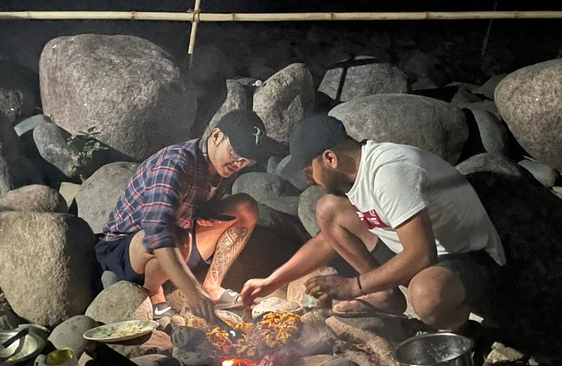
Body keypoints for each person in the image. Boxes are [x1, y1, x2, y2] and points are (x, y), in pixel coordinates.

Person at [240, 114, 506, 330]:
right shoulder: (359, 174)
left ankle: (465, 330)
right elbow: (325, 242)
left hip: (469, 257)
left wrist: (353, 286)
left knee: (426, 296)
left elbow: (421, 254)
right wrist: (271, 282)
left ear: (330, 158)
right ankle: (384, 295)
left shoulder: (388, 172)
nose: (308, 179)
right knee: (328, 210)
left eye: (309, 170)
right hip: (418, 250)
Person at [96, 110, 268, 322]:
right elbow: (156, 230)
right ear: (216, 136)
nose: (238, 163)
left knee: (245, 209)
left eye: (245, 160)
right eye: (234, 153)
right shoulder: (175, 164)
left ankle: (212, 287)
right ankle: (152, 292)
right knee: (177, 236)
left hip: (181, 236)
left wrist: (203, 213)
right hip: (128, 248)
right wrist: (192, 291)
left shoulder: (218, 166)